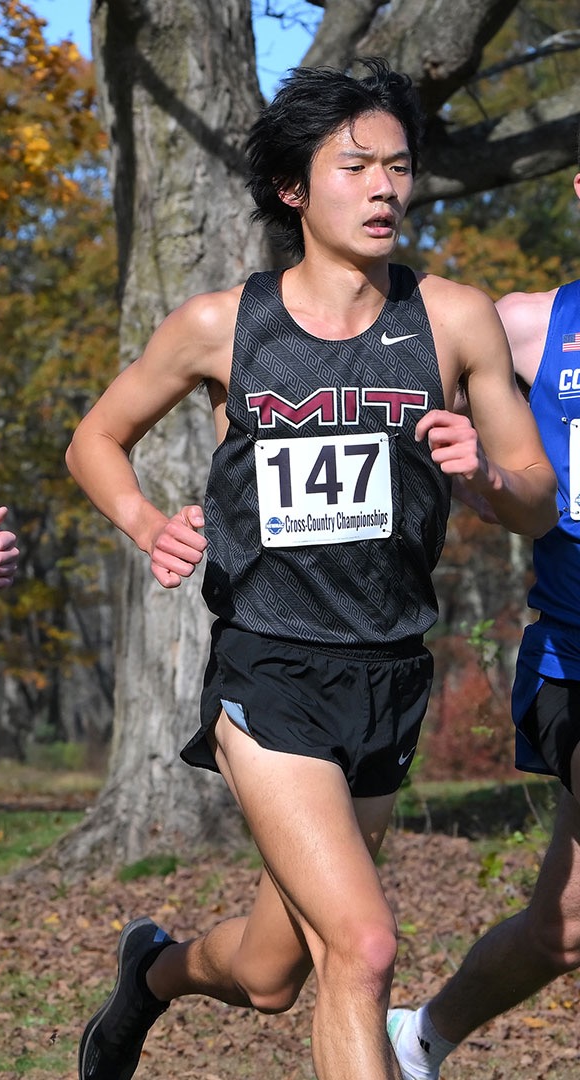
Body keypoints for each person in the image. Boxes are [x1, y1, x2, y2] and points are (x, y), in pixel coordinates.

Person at [65, 60, 554, 1080]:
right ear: (295, 187)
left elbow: (538, 499)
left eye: (399, 167)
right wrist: (146, 521)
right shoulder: (222, 326)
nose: (385, 187)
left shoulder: (453, 319)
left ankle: (150, 975)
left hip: (388, 671)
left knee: (275, 969)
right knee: (363, 950)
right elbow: (95, 441)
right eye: (356, 166)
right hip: (269, 667)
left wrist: (488, 475)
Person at [385, 144, 580, 1080]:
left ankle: (417, 1037)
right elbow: (448, 464)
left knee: (563, 929)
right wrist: (485, 480)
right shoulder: (530, 328)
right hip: (573, 662)